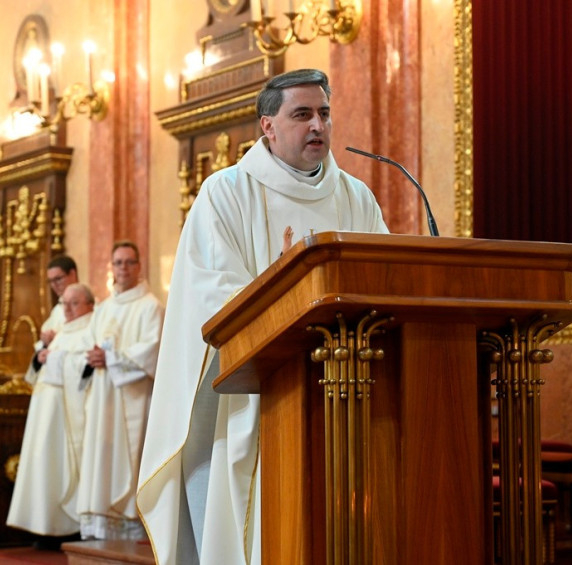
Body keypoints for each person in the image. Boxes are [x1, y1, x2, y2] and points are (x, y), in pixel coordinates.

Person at [137, 68, 389, 564]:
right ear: (267, 126)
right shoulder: (226, 193)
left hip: (348, 391)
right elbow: (213, 295)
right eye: (303, 114)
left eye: (324, 114)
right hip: (256, 396)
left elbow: (384, 279)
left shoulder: (355, 196)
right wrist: (286, 288)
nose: (318, 125)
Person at [77, 240, 164, 541]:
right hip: (102, 398)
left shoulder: (151, 306)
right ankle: (100, 523)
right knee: (101, 455)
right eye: (118, 262)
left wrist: (111, 359)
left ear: (139, 266)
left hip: (132, 398)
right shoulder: (103, 308)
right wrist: (92, 357)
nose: (123, 268)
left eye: (129, 262)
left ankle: (129, 526)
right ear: (111, 268)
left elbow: (152, 350)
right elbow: (88, 344)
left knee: (129, 459)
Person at [6, 282, 96, 541]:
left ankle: (67, 527)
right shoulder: (61, 329)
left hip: (67, 413)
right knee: (43, 463)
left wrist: (58, 359)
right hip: (44, 412)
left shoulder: (91, 328)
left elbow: (88, 368)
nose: (67, 309)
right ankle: (42, 524)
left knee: (61, 465)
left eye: (74, 303)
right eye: (64, 303)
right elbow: (35, 369)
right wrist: (41, 357)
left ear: (90, 305)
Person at [36, 255, 80, 351]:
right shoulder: (57, 310)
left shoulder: (87, 304)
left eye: (58, 279)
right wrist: (45, 339)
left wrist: (57, 338)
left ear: (72, 274)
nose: (54, 285)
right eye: (50, 281)